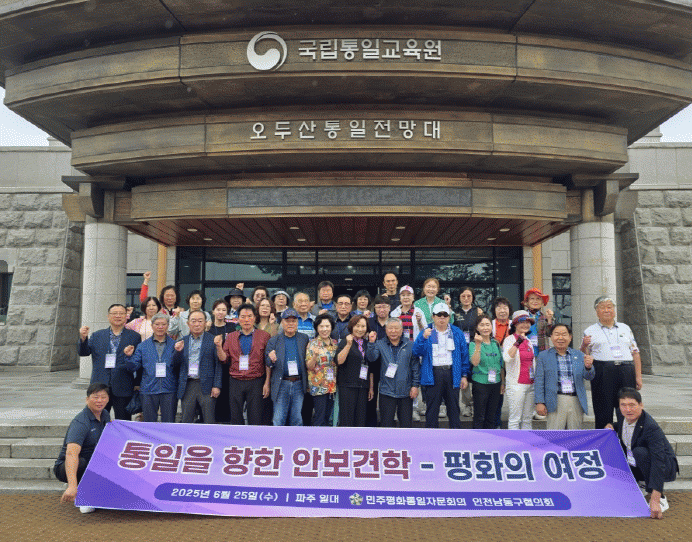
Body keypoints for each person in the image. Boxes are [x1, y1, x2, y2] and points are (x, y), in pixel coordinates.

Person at [607, 388, 679, 519]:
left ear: (641, 405)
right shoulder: (622, 415)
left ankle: (661, 497)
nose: (628, 409)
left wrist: (655, 498)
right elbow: (622, 425)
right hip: (636, 461)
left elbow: (659, 461)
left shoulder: (650, 427)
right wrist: (612, 426)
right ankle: (640, 482)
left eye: (632, 405)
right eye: (623, 405)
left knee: (639, 452)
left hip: (664, 465)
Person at [581, 296, 643, 429]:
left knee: (627, 407)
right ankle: (604, 438)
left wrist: (638, 376)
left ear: (614, 310)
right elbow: (584, 354)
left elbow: (635, 353)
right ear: (597, 311)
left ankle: (627, 438)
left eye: (609, 307)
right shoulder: (590, 330)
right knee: (603, 409)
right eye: (602, 308)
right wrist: (583, 345)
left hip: (626, 370)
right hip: (602, 371)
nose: (606, 310)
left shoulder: (625, 328)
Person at [78, 304, 141, 420]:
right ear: (108, 316)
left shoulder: (134, 336)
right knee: (98, 419)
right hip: (100, 385)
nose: (118, 316)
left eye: (121, 313)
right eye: (114, 313)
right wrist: (83, 339)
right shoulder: (97, 335)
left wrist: (138, 382)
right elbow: (84, 352)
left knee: (123, 420)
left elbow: (139, 362)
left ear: (126, 316)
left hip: (123, 385)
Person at [55, 383, 110, 514]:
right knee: (83, 462)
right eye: (95, 397)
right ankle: (83, 495)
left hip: (94, 461)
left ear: (108, 399)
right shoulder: (81, 423)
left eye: (103, 397)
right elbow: (71, 454)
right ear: (87, 399)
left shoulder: (105, 414)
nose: (100, 401)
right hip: (69, 465)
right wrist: (72, 486)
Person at [413, 303, 470, 429]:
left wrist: (464, 375)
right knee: (432, 410)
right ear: (433, 316)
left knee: (454, 409)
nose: (442, 318)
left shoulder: (456, 332)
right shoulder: (427, 331)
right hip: (433, 374)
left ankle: (455, 435)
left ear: (449, 317)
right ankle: (431, 437)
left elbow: (464, 355)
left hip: (452, 373)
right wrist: (423, 338)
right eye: (439, 315)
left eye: (445, 315)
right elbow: (416, 352)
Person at [535, 324, 595, 430]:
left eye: (564, 334)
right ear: (551, 337)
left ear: (570, 337)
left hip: (575, 399)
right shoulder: (543, 356)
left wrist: (589, 367)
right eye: (557, 334)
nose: (560, 337)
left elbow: (589, 377)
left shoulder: (579, 355)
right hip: (555, 399)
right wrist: (539, 402)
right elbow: (539, 380)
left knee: (575, 433)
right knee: (555, 433)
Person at [222, 303, 271, 425]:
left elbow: (267, 362)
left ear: (255, 318)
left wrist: (267, 382)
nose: (246, 320)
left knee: (255, 416)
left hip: (256, 381)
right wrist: (218, 347)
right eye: (243, 317)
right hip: (235, 380)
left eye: (249, 316)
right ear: (238, 319)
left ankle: (253, 437)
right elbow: (224, 359)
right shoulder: (231, 337)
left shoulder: (264, 336)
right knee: (235, 416)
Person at [124, 313, 179, 423]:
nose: (160, 327)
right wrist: (128, 357)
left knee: (169, 422)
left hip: (169, 389)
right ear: (152, 326)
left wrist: (179, 352)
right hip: (148, 389)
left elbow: (179, 366)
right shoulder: (143, 346)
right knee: (149, 422)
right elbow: (133, 367)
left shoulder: (175, 345)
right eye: (157, 324)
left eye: (163, 324)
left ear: (168, 326)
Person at [174, 310, 225, 424]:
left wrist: (216, 385)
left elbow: (218, 365)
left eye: (200, 321)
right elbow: (175, 365)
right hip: (188, 384)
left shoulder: (212, 340)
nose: (197, 324)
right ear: (188, 323)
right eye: (193, 321)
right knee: (186, 419)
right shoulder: (182, 341)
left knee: (209, 419)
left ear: (205, 323)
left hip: (208, 385)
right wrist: (177, 352)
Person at [367, 318, 420, 428]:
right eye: (390, 328)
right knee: (386, 424)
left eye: (396, 328)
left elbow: (415, 367)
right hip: (386, 391)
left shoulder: (410, 345)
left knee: (406, 424)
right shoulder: (380, 344)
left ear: (401, 330)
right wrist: (371, 343)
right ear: (386, 330)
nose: (393, 331)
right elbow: (371, 358)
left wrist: (415, 386)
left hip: (405, 391)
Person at [266, 308, 310, 426]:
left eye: (293, 321)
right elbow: (267, 362)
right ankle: (278, 439)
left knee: (297, 418)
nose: (290, 324)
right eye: (287, 321)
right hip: (281, 383)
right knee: (278, 419)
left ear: (297, 323)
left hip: (299, 383)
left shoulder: (304, 338)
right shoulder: (274, 340)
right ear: (282, 322)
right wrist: (271, 359)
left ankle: (295, 439)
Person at [335, 315, 373, 427]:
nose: (360, 329)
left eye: (363, 326)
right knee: (347, 419)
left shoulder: (366, 343)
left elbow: (370, 367)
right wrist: (348, 345)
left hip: (363, 386)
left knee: (360, 419)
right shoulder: (345, 341)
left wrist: (370, 387)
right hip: (347, 386)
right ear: (352, 327)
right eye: (357, 326)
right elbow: (339, 361)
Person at [469, 314, 504, 429]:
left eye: (488, 325)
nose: (485, 328)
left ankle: (489, 438)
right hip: (480, 383)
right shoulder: (473, 344)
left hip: (495, 383)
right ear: (477, 328)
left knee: (492, 416)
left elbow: (500, 365)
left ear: (491, 327)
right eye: (482, 325)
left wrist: (502, 383)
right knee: (479, 416)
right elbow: (475, 362)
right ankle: (478, 438)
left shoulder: (496, 343)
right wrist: (478, 345)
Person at [502, 310, 536, 430]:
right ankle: (514, 442)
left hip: (530, 384)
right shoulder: (509, 340)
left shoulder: (529, 341)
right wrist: (518, 342)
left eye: (528, 322)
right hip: (516, 385)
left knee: (527, 419)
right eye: (522, 322)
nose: (526, 325)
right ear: (515, 324)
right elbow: (507, 358)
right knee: (515, 419)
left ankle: (527, 441)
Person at [305, 314, 338, 426]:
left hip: (332, 386)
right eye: (321, 326)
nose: (324, 329)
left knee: (328, 417)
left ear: (331, 327)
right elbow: (309, 366)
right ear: (317, 328)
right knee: (319, 417)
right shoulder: (312, 344)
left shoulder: (335, 343)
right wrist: (314, 356)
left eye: (327, 326)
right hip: (318, 386)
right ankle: (316, 437)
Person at [456, 287, 483, 418]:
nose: (466, 299)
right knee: (464, 376)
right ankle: (467, 404)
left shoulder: (478, 312)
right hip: (460, 349)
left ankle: (477, 404)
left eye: (469, 296)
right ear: (459, 298)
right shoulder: (455, 312)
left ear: (473, 298)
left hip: (475, 346)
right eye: (463, 296)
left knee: (476, 376)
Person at [209, 299, 235, 423]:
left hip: (228, 368)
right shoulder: (208, 328)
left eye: (224, 310)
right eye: (218, 309)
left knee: (226, 397)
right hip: (212, 367)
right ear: (213, 311)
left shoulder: (232, 327)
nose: (220, 312)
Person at [366, 295, 391, 426]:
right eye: (379, 307)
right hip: (371, 364)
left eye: (384, 307)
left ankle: (386, 424)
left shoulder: (393, 323)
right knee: (371, 395)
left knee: (387, 397)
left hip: (389, 365)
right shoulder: (368, 322)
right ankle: (371, 424)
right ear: (374, 308)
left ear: (389, 308)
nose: (382, 309)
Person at [491, 296, 513, 428]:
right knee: (497, 393)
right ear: (494, 310)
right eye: (499, 307)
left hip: (511, 362)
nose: (502, 310)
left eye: (505, 307)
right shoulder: (490, 324)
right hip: (495, 363)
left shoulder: (514, 325)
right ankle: (496, 422)